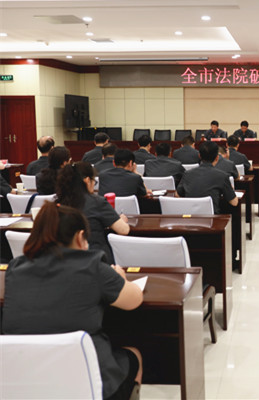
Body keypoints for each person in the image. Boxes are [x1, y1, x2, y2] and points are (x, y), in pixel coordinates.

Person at [2, 202, 144, 400]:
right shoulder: (92, 265)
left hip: (27, 383)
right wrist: (120, 278)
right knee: (133, 354)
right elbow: (134, 300)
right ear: (80, 237)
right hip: (89, 385)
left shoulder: (15, 269)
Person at [56, 162, 130, 263]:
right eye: (94, 181)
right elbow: (124, 230)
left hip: (66, 261)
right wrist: (122, 219)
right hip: (97, 260)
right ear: (87, 180)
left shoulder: (58, 204)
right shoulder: (97, 202)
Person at [177, 141, 238, 213]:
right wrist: (230, 190)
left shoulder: (187, 174)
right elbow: (234, 202)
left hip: (190, 216)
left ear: (199, 156)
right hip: (212, 218)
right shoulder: (222, 176)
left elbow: (177, 195)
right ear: (217, 158)